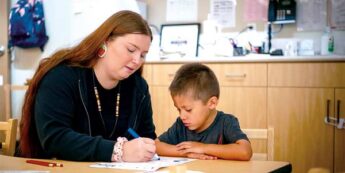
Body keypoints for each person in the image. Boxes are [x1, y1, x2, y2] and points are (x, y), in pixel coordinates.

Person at [18, 10, 157, 162]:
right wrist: (118, 151)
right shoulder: (61, 77)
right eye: (131, 50)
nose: (137, 60)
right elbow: (55, 138)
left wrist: (146, 148)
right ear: (105, 42)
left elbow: (146, 136)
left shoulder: (139, 88)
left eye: (143, 54)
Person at [156, 63, 252, 161]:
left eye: (188, 110)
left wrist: (202, 148)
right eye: (178, 109)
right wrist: (186, 153)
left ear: (212, 103)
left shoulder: (226, 122)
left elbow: (245, 151)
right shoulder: (180, 125)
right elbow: (155, 146)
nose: (182, 116)